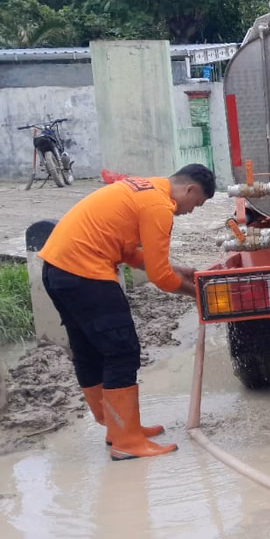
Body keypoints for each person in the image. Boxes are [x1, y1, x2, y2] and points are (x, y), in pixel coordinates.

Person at [38, 164, 215, 460]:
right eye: (195, 205)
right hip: (86, 273)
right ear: (190, 190)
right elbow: (161, 278)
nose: (190, 211)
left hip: (57, 270)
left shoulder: (141, 187)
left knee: (89, 350)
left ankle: (118, 429)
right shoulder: (159, 206)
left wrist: (176, 269)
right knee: (122, 351)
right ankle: (127, 442)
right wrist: (196, 294)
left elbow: (129, 252)